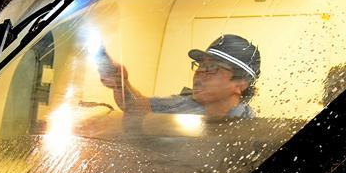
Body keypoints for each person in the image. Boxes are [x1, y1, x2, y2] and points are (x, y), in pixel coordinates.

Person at [98, 34, 260, 119]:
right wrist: (120, 82)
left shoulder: (247, 129)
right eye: (201, 64)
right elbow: (134, 107)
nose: (200, 73)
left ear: (240, 84)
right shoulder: (186, 104)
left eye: (212, 67)